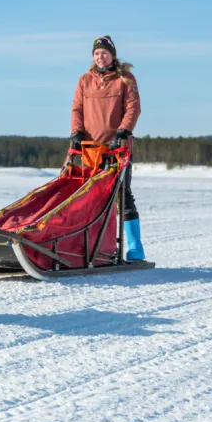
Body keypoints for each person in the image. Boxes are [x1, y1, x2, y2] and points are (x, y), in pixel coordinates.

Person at [70, 35, 145, 262]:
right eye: (96, 53)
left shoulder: (125, 79)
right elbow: (77, 110)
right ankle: (90, 245)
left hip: (117, 148)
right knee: (87, 195)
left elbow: (133, 108)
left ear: (112, 54)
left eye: (103, 53)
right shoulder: (85, 80)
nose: (100, 57)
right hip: (90, 149)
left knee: (122, 195)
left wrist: (123, 131)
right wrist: (76, 132)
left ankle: (135, 247)